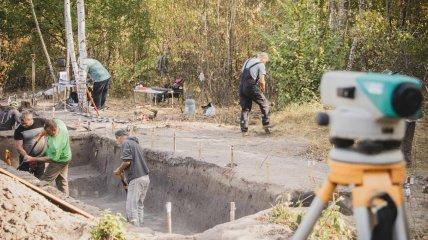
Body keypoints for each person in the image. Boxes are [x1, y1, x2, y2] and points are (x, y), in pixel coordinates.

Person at [113, 129, 150, 227]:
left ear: (120, 137)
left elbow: (127, 162)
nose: (118, 142)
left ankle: (134, 230)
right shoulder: (136, 144)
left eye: (117, 139)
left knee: (131, 206)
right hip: (145, 177)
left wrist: (119, 171)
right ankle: (140, 228)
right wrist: (126, 178)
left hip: (136, 179)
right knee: (139, 205)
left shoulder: (126, 143)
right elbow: (134, 163)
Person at [26, 119, 72, 195]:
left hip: (60, 160)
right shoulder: (59, 124)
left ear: (53, 130)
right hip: (66, 156)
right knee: (62, 180)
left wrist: (33, 159)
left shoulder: (56, 144)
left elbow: (50, 159)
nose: (46, 134)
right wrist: (42, 132)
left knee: (45, 180)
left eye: (48, 133)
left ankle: (39, 197)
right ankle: (66, 198)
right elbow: (54, 120)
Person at [239, 52, 271, 135]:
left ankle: (244, 130)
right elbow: (262, 80)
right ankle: (266, 125)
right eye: (266, 61)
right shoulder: (261, 64)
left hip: (242, 87)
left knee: (245, 108)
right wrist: (262, 90)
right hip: (250, 86)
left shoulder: (248, 61)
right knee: (264, 104)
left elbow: (242, 73)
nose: (265, 63)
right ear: (263, 58)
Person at [14, 111, 47, 178]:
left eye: (25, 124)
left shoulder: (41, 121)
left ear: (31, 119)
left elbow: (52, 126)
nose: (23, 125)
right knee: (24, 177)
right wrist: (27, 157)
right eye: (22, 123)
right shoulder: (18, 130)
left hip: (40, 156)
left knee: (39, 177)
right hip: (26, 158)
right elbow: (18, 147)